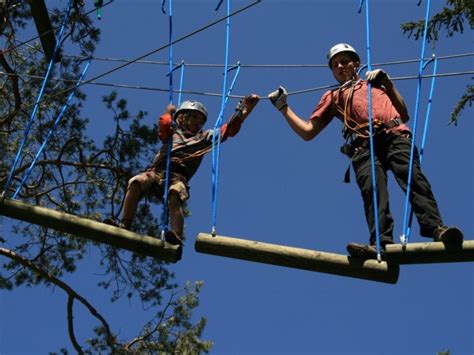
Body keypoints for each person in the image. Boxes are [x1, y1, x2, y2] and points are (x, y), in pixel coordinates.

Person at [268, 43, 463, 259]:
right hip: (363, 146)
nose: (340, 66)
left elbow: (404, 114)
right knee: (372, 190)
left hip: (394, 135)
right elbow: (308, 131)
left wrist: (388, 83)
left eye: (344, 61)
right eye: (335, 65)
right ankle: (381, 243)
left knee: (413, 177)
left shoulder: (376, 83)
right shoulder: (332, 97)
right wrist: (283, 108)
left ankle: (437, 229)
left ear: (356, 64)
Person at [105, 95, 260, 245]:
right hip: (156, 172)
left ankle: (176, 237)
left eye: (201, 121)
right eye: (194, 118)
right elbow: (164, 124)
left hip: (178, 177)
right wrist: (169, 112)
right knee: (136, 181)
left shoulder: (204, 138)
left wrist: (246, 110)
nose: (198, 123)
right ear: (182, 118)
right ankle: (125, 223)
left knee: (175, 194)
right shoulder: (172, 133)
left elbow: (228, 130)